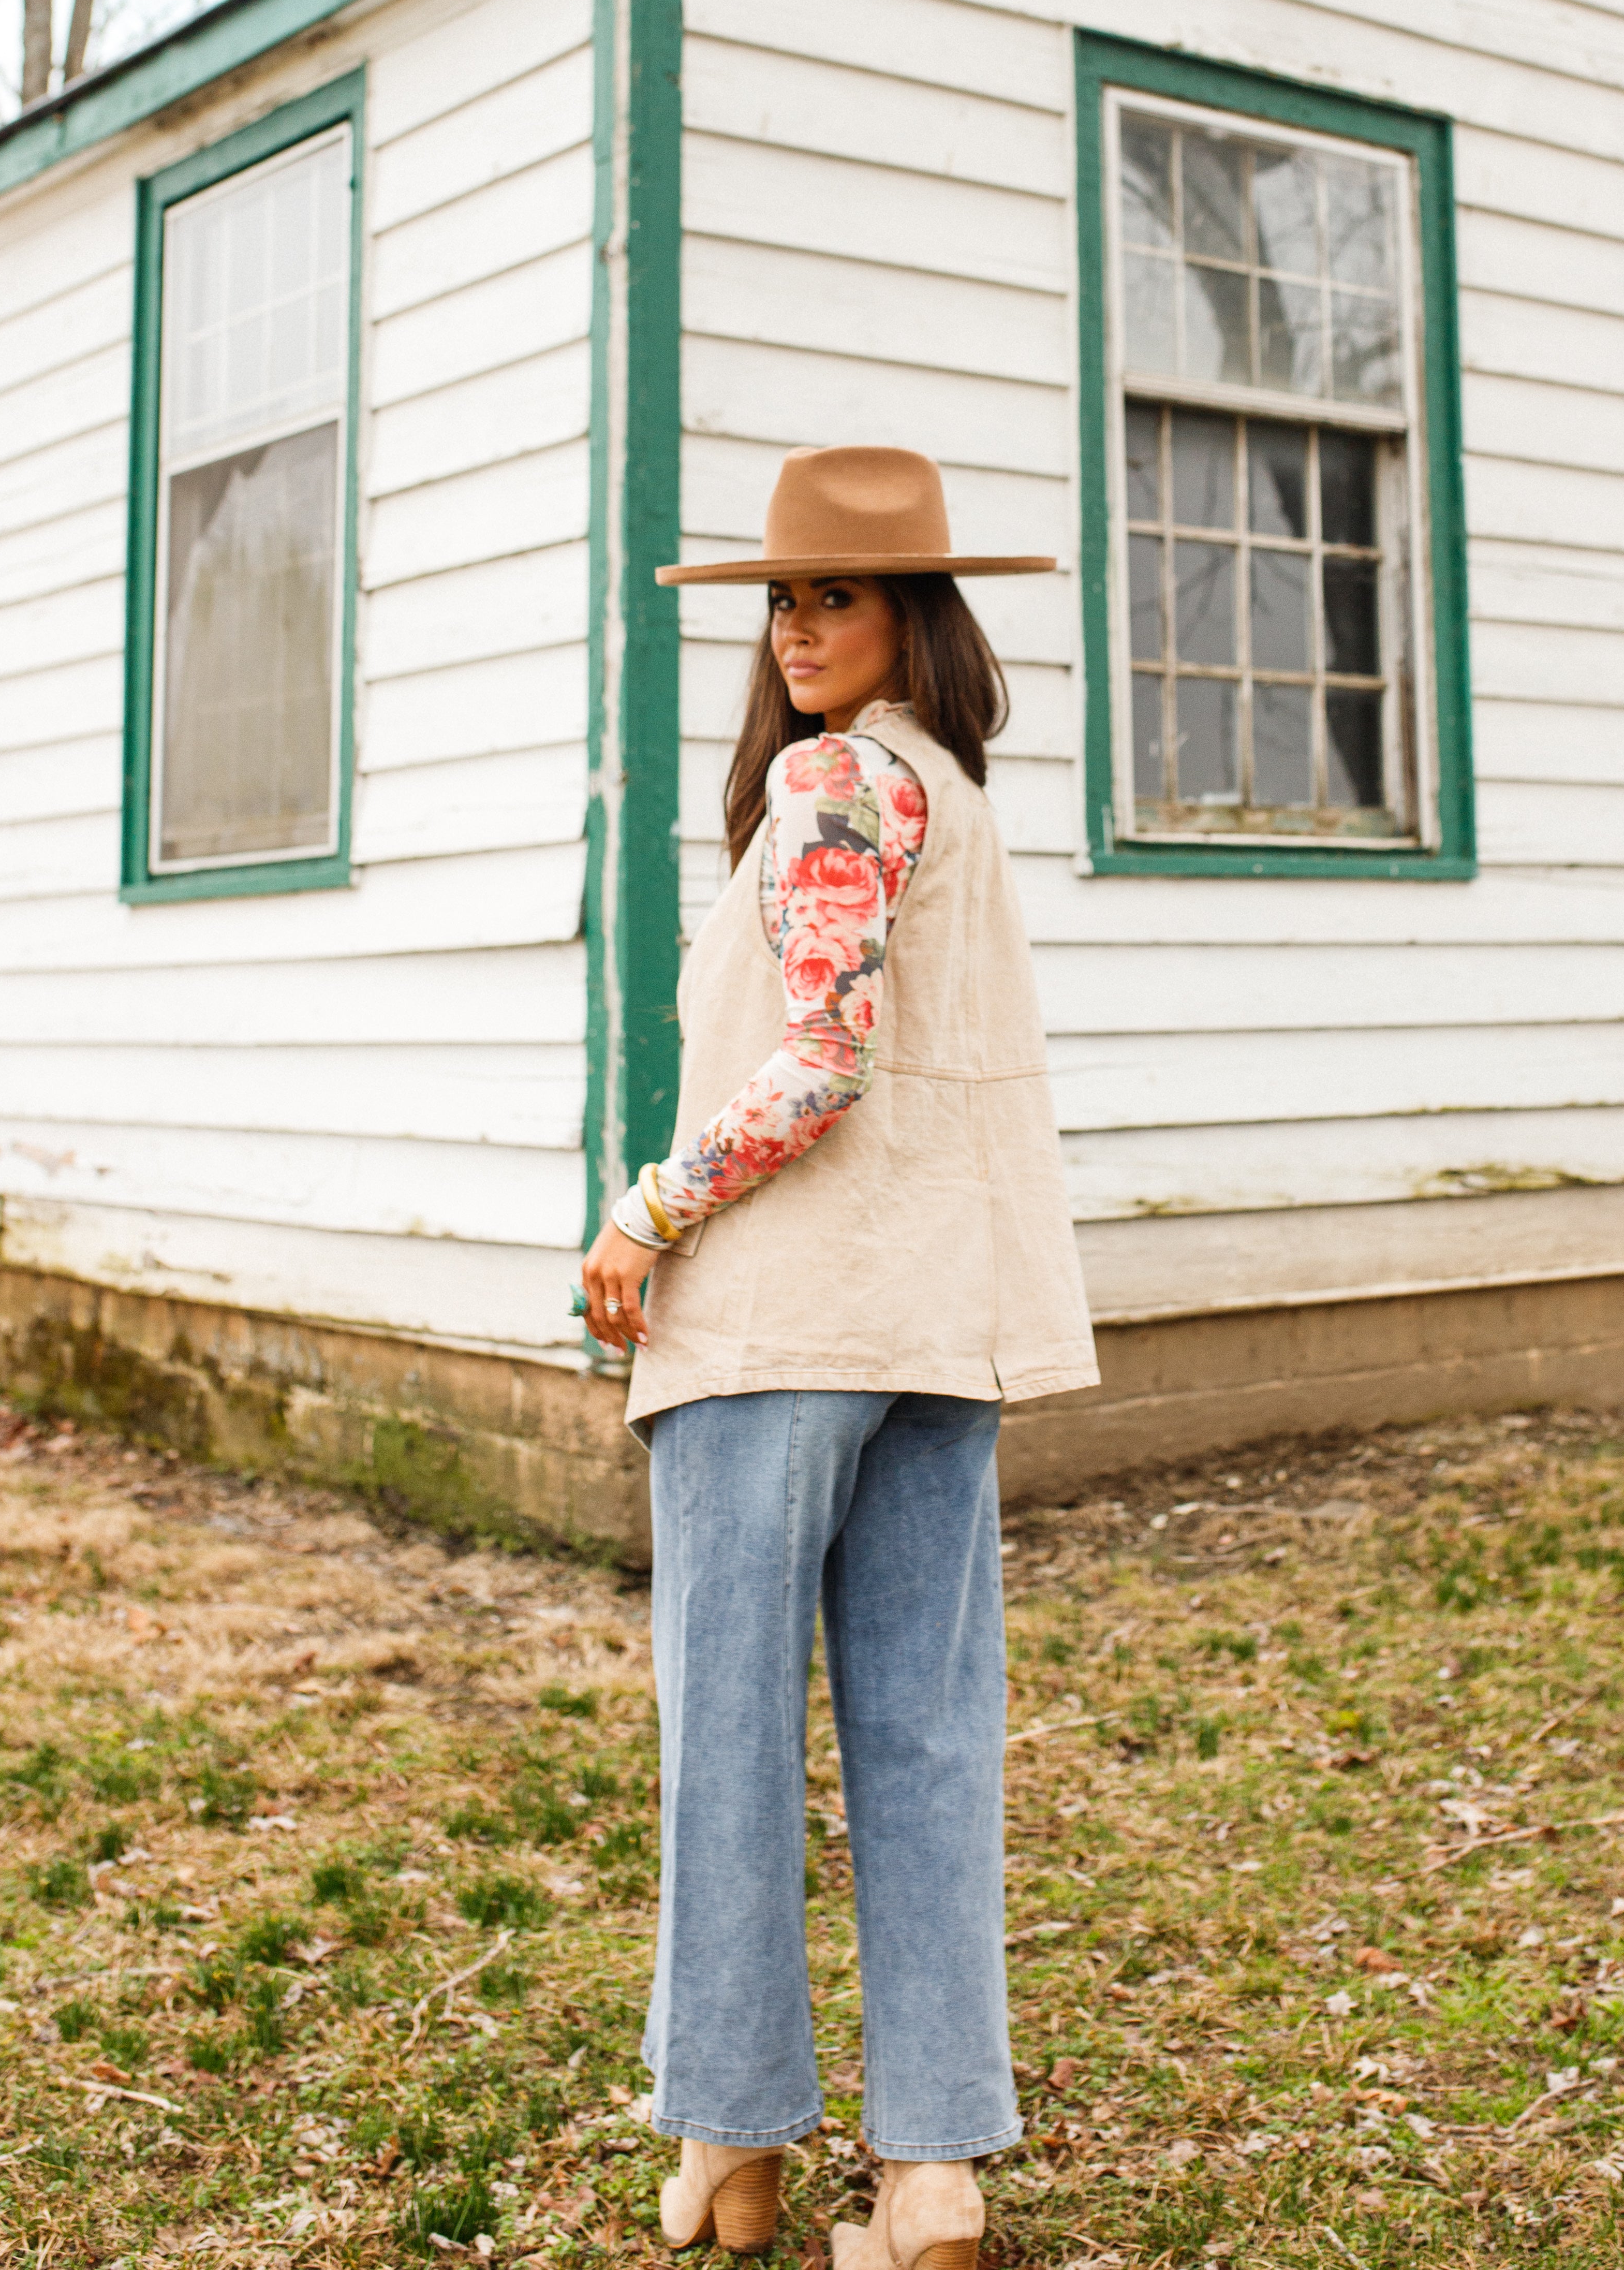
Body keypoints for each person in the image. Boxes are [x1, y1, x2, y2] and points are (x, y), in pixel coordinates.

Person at [579, 444, 1099, 2270]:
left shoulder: (831, 790)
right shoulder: (951, 798)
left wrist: (648, 1211)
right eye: (785, 597)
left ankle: (732, 2140)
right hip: (938, 1322)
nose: (800, 628)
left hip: (783, 1326)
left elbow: (816, 1060)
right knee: (929, 1737)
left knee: (728, 1735)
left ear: (915, 616)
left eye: (840, 596)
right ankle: (934, 2178)